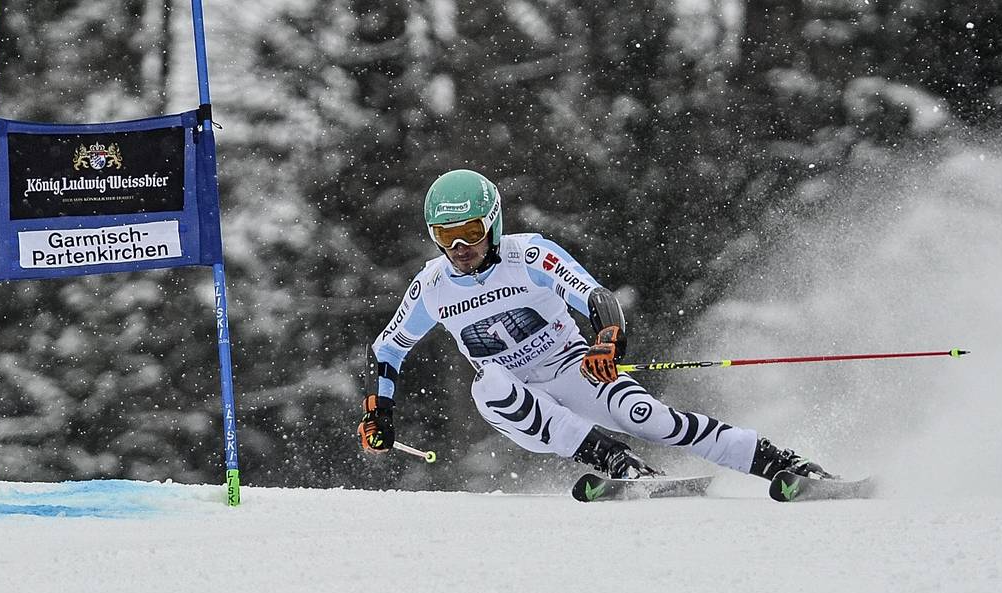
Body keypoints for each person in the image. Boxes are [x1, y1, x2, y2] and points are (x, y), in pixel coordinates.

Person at [357, 169, 833, 484]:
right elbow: (388, 350)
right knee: (490, 384)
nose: (460, 246)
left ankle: (777, 463)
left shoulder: (528, 255)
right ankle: (610, 459)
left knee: (654, 420)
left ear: (494, 225)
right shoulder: (432, 286)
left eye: (472, 232)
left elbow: (595, 296)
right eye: (446, 236)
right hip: (517, 401)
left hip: (574, 368)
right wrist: (379, 413)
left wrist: (606, 342)